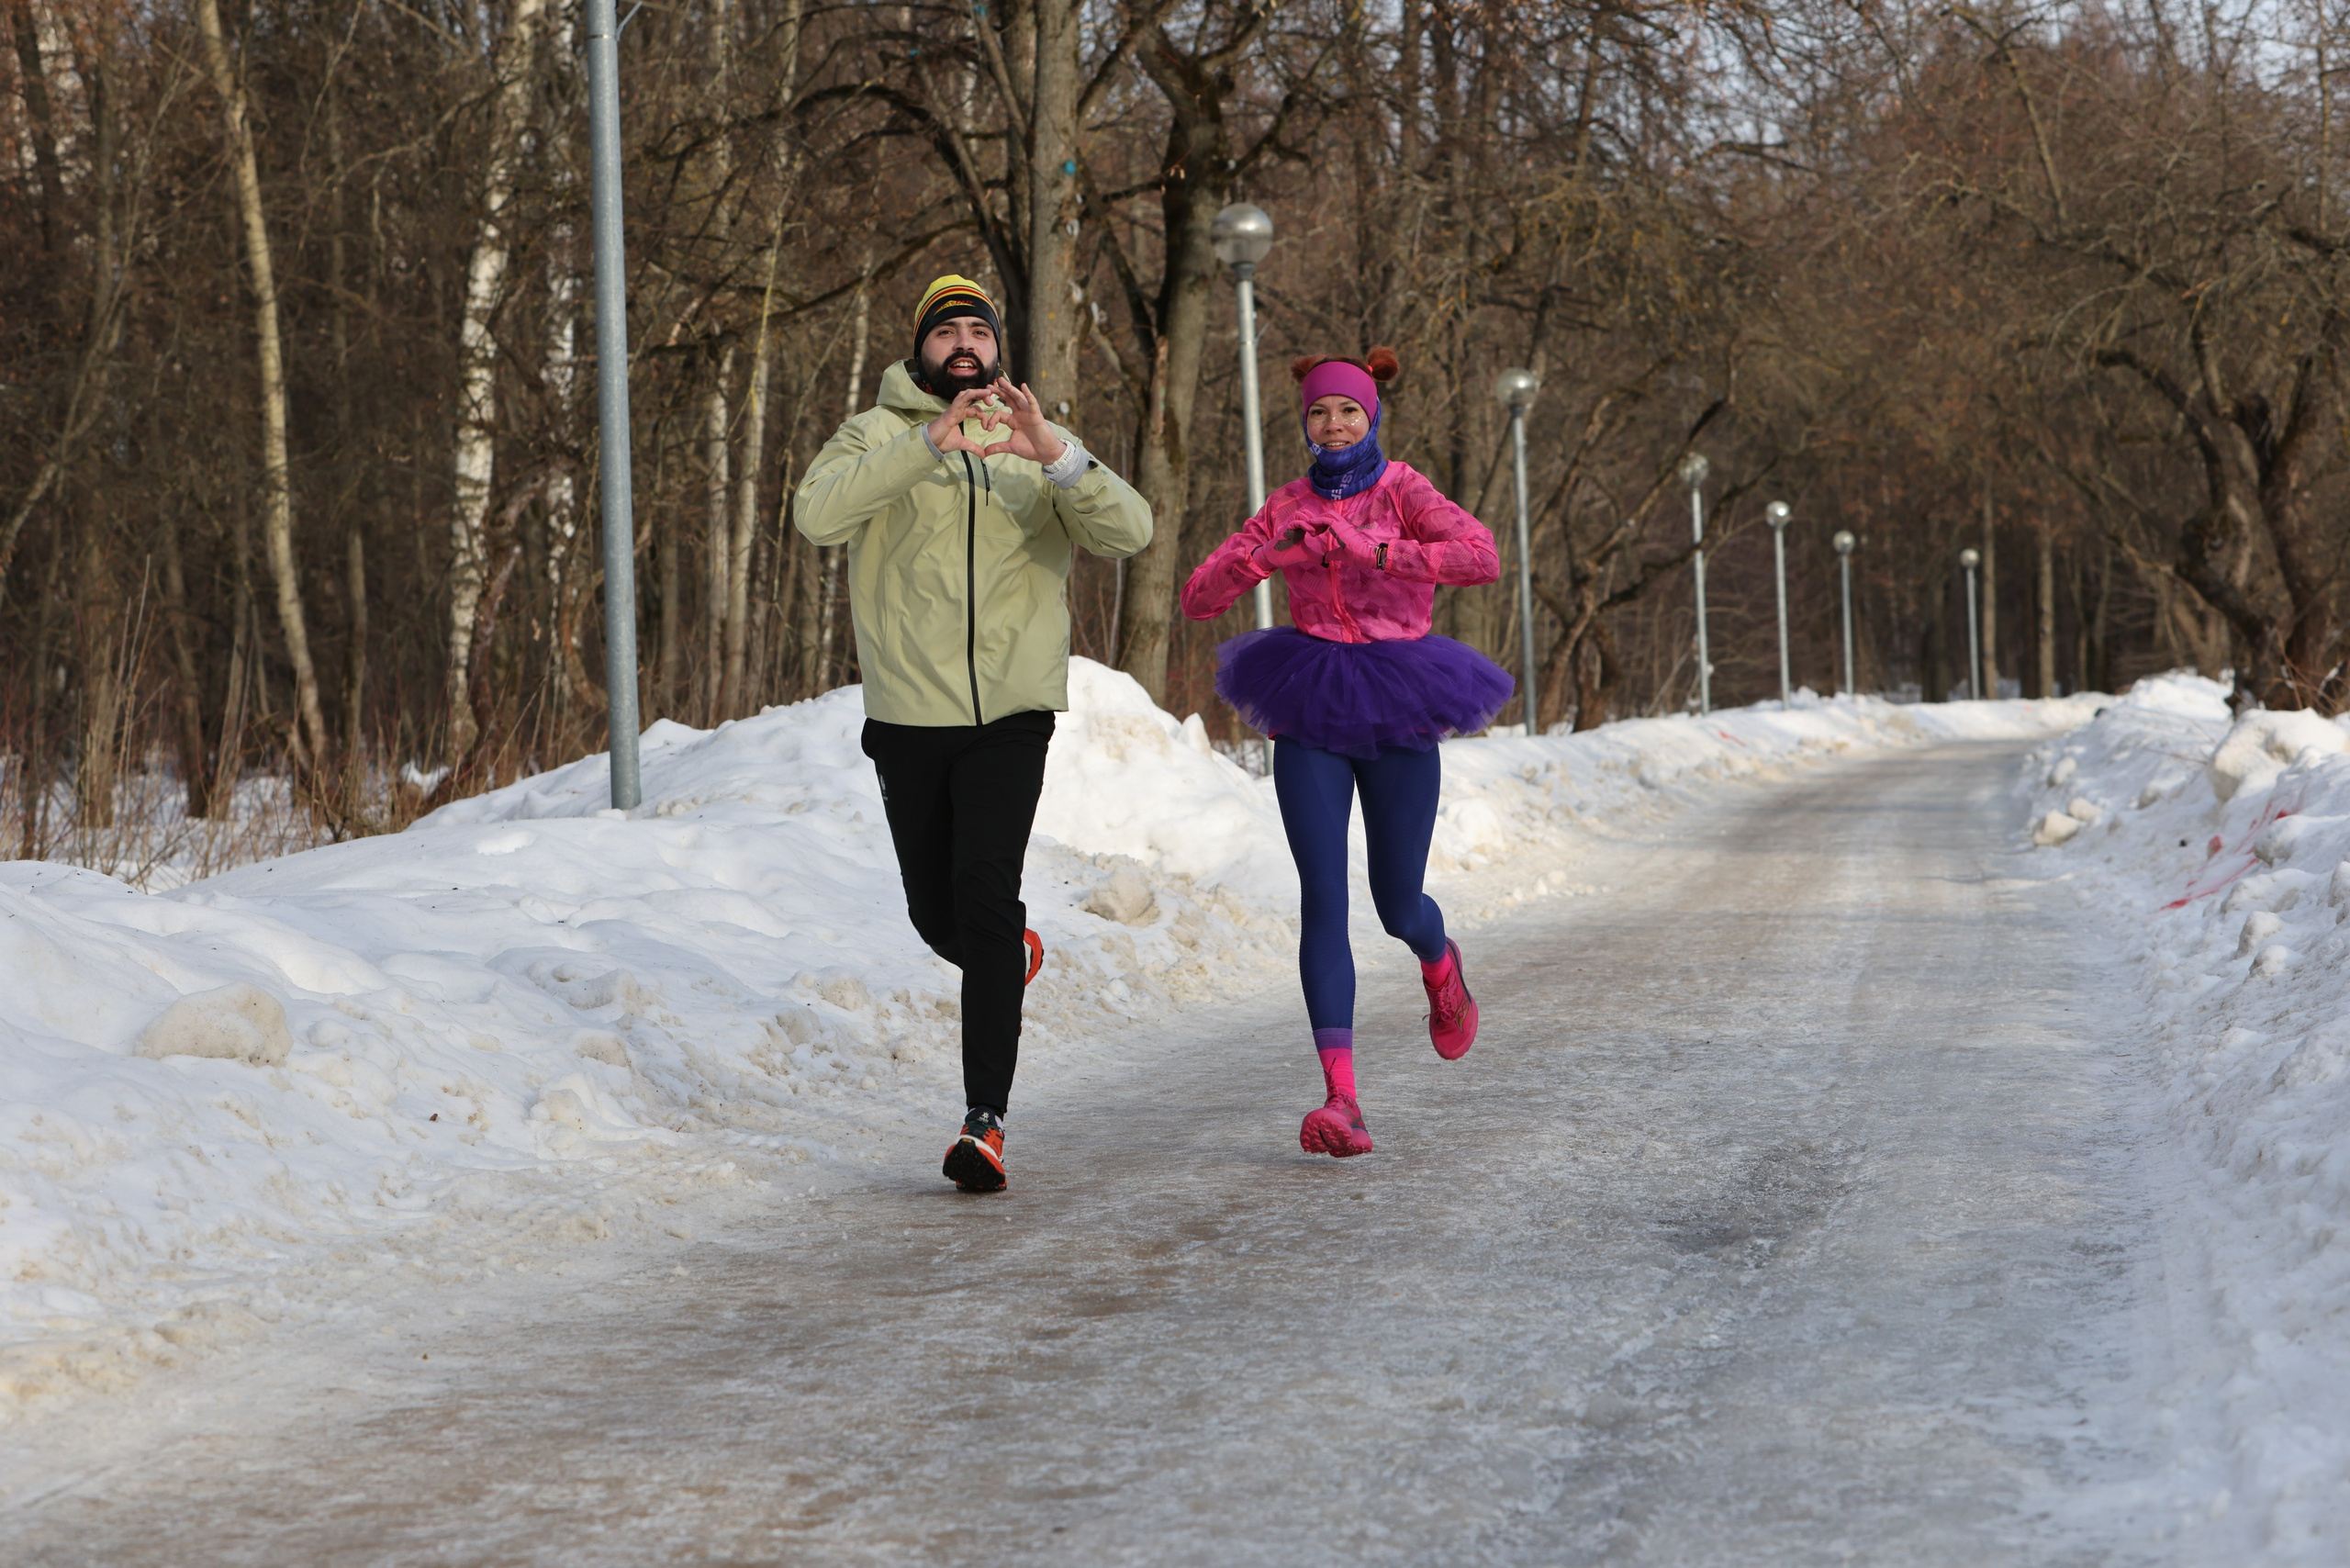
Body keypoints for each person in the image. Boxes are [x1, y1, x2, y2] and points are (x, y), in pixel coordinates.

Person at [796, 274, 1153, 1193]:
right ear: (920, 351)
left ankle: (983, 1121)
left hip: (1010, 714)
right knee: (937, 913)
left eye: (977, 332)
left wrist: (1058, 454)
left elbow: (1130, 533)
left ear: (998, 349)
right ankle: (1007, 954)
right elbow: (817, 515)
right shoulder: (877, 434)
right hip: (908, 717)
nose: (963, 344)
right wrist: (924, 445)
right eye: (945, 331)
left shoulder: (1035, 444)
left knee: (986, 897)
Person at [1181, 347, 1510, 1159]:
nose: (1332, 425)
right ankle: (1342, 1099)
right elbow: (1198, 596)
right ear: (1304, 423)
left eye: (1348, 412)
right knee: (1323, 895)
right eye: (1319, 413)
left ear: (1372, 418)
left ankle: (1439, 963)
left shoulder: (1404, 490)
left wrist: (1378, 552)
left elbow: (1481, 556)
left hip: (1401, 695)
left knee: (1397, 903)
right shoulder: (1288, 502)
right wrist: (1267, 555)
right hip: (1312, 699)